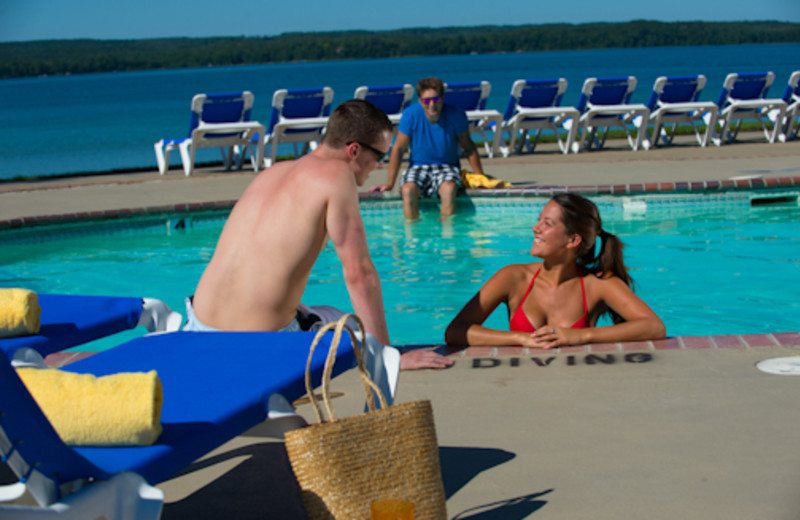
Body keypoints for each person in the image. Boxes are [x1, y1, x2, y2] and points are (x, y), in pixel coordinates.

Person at [186, 99, 452, 370]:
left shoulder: (272, 173)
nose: (380, 166)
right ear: (354, 150)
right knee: (349, 325)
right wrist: (387, 356)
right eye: (380, 156)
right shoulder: (336, 175)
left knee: (316, 310)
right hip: (260, 342)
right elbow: (359, 274)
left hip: (198, 325)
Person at [445, 193, 666, 348]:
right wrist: (520, 339)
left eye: (547, 224)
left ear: (572, 240)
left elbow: (654, 327)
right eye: (538, 220)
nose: (535, 228)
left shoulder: (597, 284)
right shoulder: (513, 278)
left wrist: (581, 336)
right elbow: (455, 331)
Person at [369, 77, 487, 219]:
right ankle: (412, 237)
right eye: (426, 100)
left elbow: (468, 147)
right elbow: (398, 148)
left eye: (436, 100)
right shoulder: (410, 115)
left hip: (447, 166)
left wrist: (481, 179)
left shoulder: (456, 115)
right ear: (420, 101)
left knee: (449, 189)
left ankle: (448, 236)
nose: (431, 104)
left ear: (442, 98)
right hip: (418, 167)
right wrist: (389, 184)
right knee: (407, 190)